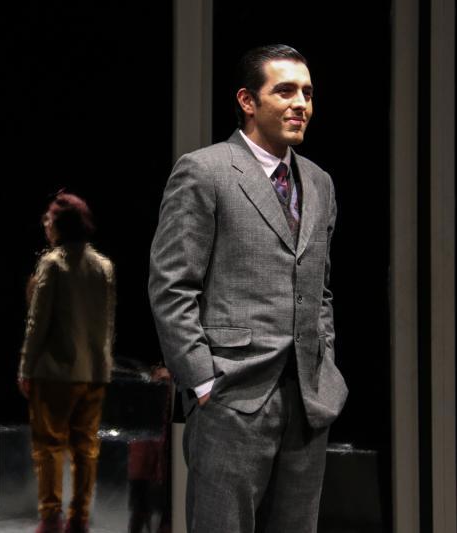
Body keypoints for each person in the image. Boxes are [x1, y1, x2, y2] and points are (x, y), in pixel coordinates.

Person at [148, 44, 348, 533]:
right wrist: (202, 382)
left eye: (307, 93)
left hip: (308, 400)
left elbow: (320, 289)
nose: (300, 104)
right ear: (247, 100)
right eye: (285, 91)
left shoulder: (319, 182)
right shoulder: (205, 170)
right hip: (231, 396)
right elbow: (172, 286)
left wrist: (323, 359)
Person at [19, 192, 116, 533]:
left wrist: (26, 367)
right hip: (93, 373)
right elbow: (107, 324)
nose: (45, 223)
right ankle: (79, 518)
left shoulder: (52, 264)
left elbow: (38, 322)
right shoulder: (103, 266)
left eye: (49, 219)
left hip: (54, 373)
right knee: (86, 449)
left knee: (49, 447)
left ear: (60, 225)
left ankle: (50, 517)